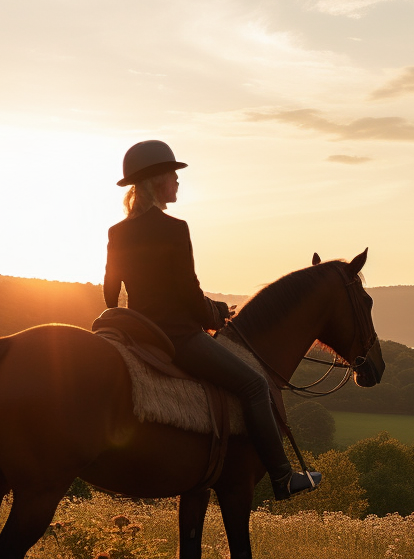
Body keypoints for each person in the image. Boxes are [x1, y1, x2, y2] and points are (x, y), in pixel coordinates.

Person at [103, 140, 319, 500]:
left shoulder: (117, 232)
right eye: (173, 175)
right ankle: (283, 478)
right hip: (178, 338)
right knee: (255, 386)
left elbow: (111, 293)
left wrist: (132, 321)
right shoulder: (175, 228)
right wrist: (215, 315)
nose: (177, 182)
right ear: (158, 180)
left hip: (136, 332)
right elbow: (188, 295)